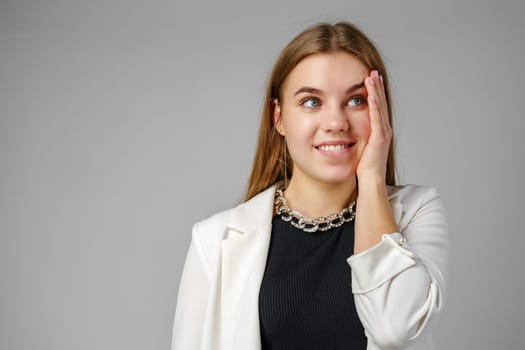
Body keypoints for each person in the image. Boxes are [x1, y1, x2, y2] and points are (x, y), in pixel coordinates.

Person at [171, 22, 449, 350]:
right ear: (279, 118)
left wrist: (372, 178)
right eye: (311, 102)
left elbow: (394, 329)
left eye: (357, 100)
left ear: (380, 110)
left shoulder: (416, 213)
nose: (335, 123)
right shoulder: (214, 241)